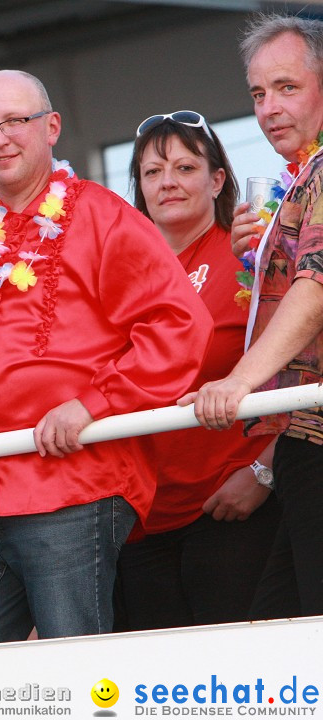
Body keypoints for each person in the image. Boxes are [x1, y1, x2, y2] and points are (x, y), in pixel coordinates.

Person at [0, 70, 212, 646]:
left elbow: (178, 324)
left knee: (71, 675)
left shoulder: (103, 216)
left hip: (73, 485)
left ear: (51, 128)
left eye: (14, 121)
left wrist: (93, 404)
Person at [115, 111, 280, 630]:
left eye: (185, 168)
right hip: (138, 523)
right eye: (152, 172)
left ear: (217, 180)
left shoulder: (252, 254)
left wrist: (263, 474)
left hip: (232, 506)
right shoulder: (118, 278)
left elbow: (303, 372)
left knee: (239, 685)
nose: (168, 182)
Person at [187, 14, 323, 620]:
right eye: (258, 93)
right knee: (281, 631)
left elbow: (317, 286)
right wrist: (261, 253)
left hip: (314, 434)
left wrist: (239, 382)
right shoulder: (304, 177)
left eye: (287, 88)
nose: (269, 108)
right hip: (300, 435)